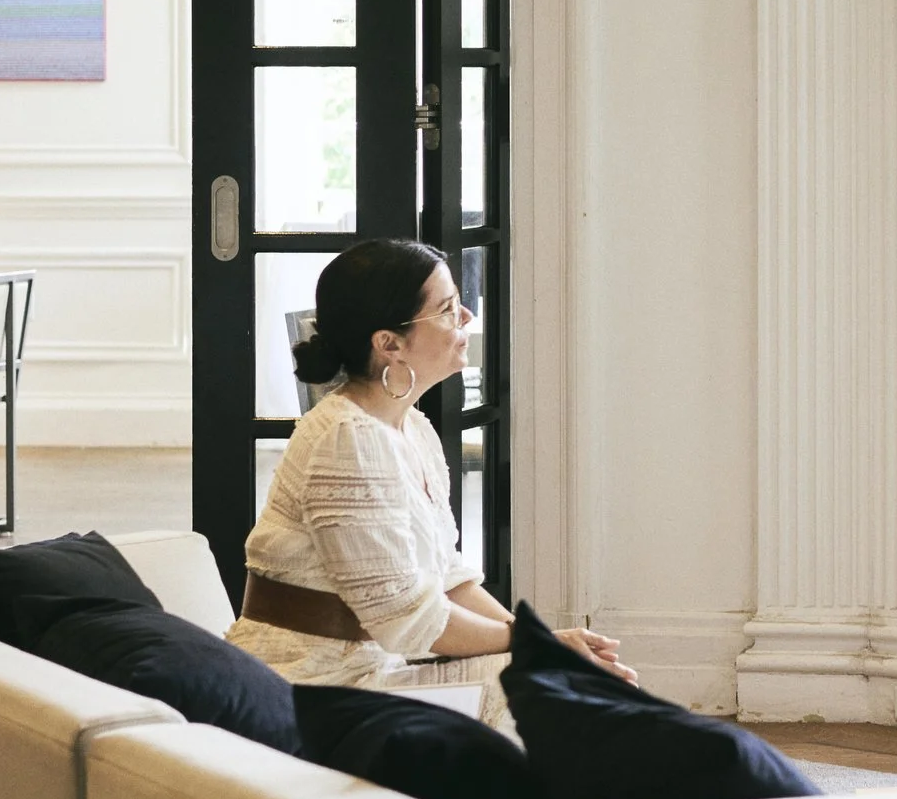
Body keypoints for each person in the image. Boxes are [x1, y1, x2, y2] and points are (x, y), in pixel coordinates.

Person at [229, 239, 635, 727]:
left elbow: (446, 577)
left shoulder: (411, 427)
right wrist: (537, 644)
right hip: (312, 686)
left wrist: (538, 638)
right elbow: (405, 617)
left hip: (376, 667)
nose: (465, 315)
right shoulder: (346, 439)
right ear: (389, 344)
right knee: (562, 695)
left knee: (577, 682)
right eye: (445, 309)